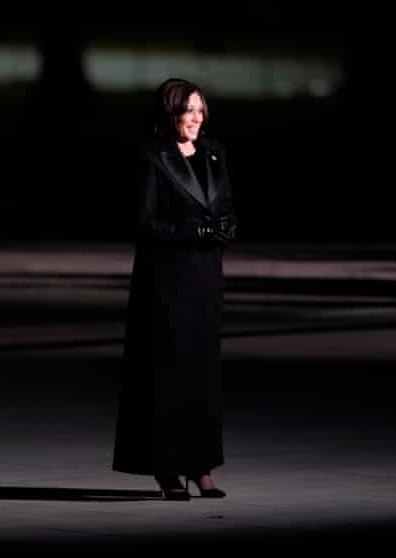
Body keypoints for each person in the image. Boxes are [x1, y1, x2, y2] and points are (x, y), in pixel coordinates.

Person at [112, 78, 237, 501]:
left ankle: (202, 466)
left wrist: (226, 226)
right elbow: (144, 223)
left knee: (203, 374)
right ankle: (166, 467)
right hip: (166, 281)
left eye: (201, 110)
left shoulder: (214, 152)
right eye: (189, 110)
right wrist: (190, 231)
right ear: (171, 113)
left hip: (205, 278)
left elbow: (224, 204)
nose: (197, 118)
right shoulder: (153, 157)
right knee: (167, 374)